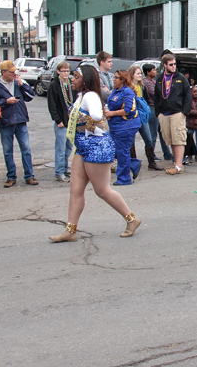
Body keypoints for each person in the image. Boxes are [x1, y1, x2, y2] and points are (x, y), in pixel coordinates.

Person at [49, 65, 141, 242]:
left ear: (86, 79)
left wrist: (86, 121)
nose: (72, 79)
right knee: (75, 190)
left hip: (95, 146)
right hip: (82, 146)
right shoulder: (81, 95)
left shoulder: (90, 96)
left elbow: (97, 115)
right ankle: (70, 230)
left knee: (102, 190)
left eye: (76, 76)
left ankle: (132, 219)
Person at [0, 60, 39, 187]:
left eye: (15, 71)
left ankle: (29, 175)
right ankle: (11, 176)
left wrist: (22, 84)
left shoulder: (18, 83)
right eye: (11, 72)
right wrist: (6, 101)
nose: (14, 73)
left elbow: (31, 96)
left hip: (20, 120)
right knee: (8, 150)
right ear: (4, 72)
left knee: (26, 149)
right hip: (5, 121)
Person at [155, 53, 192, 175]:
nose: (173, 66)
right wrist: (158, 113)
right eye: (171, 64)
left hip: (177, 112)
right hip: (164, 113)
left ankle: (179, 165)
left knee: (179, 139)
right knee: (170, 139)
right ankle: (176, 162)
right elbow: (156, 96)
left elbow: (188, 95)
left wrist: (184, 112)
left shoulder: (181, 78)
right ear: (165, 65)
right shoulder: (160, 78)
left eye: (175, 64)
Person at [105, 69, 141, 185]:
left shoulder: (128, 92)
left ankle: (124, 178)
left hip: (125, 126)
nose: (113, 79)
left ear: (122, 79)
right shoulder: (115, 91)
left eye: (116, 77)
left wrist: (112, 113)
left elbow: (129, 110)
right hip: (115, 126)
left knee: (122, 152)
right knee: (113, 150)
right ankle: (133, 164)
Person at [127, 64, 159, 171]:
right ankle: (134, 163)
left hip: (141, 116)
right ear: (132, 75)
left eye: (141, 73)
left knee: (148, 139)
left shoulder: (141, 86)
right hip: (131, 117)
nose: (140, 75)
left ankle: (151, 162)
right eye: (138, 73)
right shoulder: (128, 87)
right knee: (131, 142)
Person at [47, 61, 74, 182]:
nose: (66, 73)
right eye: (63, 71)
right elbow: (52, 104)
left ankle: (65, 167)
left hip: (70, 120)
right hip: (61, 121)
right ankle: (58, 172)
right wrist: (57, 119)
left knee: (69, 146)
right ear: (58, 71)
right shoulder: (55, 84)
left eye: (68, 71)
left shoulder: (70, 84)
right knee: (60, 147)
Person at [142, 64, 169, 169]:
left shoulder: (154, 82)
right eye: (153, 70)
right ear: (148, 72)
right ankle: (151, 155)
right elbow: (155, 93)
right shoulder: (146, 83)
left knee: (162, 133)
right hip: (151, 108)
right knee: (153, 134)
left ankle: (166, 153)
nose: (155, 72)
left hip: (158, 108)